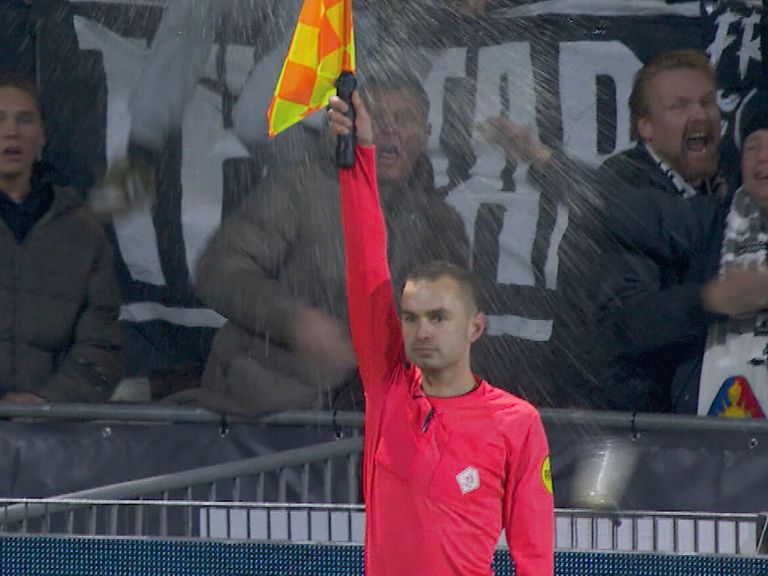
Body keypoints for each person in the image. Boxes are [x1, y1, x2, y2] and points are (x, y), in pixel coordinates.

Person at [328, 90, 553, 575]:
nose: (421, 331)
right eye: (410, 318)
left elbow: (535, 556)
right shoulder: (388, 390)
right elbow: (367, 262)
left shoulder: (517, 423)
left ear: (476, 327)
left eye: (438, 317)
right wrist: (360, 156)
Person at [184, 71, 467, 416]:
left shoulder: (441, 221)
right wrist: (294, 320)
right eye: (376, 116)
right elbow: (219, 269)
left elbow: (459, 325)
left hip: (382, 417)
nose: (389, 129)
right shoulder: (295, 189)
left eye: (404, 119)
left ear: (424, 136)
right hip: (263, 411)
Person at [0, 71, 122, 404]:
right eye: (0, 119)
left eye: (25, 120)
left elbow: (102, 347)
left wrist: (46, 402)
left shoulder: (83, 232)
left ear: (42, 136)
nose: (11, 131)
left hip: (54, 428)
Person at [599, 49, 725, 198]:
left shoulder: (727, 181)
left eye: (707, 102)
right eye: (680, 106)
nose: (701, 116)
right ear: (646, 127)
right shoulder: (622, 185)